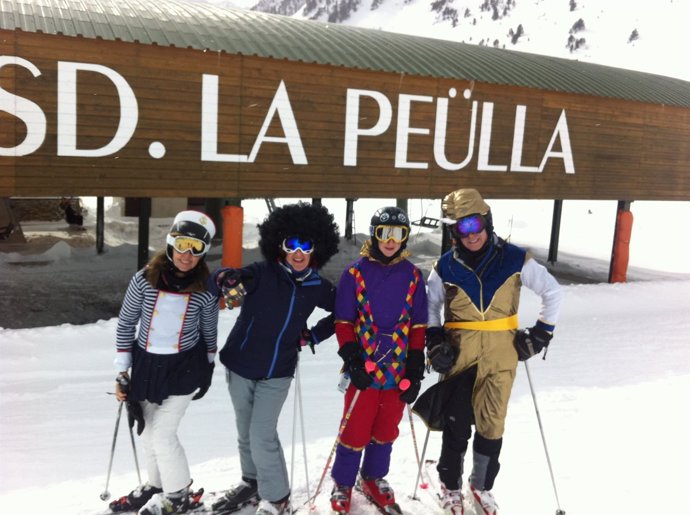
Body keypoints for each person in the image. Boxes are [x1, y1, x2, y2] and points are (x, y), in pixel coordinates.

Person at [413, 188, 563, 515]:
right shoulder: (446, 267)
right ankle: (450, 486)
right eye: (462, 228)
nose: (471, 234)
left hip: (501, 355)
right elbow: (431, 306)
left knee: (492, 423)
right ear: (454, 231)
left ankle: (480, 486)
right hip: (460, 355)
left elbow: (552, 291)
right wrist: (435, 340)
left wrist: (540, 334)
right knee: (456, 423)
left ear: (487, 221)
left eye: (475, 224)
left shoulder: (514, 258)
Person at [209, 202, 340, 515]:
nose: (297, 252)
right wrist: (225, 278)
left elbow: (343, 313)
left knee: (261, 433)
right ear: (278, 245)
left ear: (315, 248)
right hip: (240, 365)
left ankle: (278, 497)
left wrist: (314, 335)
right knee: (245, 431)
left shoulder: (316, 286)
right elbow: (228, 277)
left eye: (304, 245)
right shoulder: (262, 273)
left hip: (277, 372)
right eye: (290, 244)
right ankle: (252, 481)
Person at [111, 210, 220, 515]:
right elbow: (126, 323)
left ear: (204, 252)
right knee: (146, 429)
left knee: (163, 433)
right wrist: (123, 370)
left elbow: (208, 329)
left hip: (184, 368)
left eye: (196, 248)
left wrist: (209, 365)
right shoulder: (145, 278)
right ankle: (156, 484)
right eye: (183, 244)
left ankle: (178, 495)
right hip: (147, 365)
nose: (187, 254)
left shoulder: (205, 288)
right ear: (171, 243)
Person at [329, 206, 428, 515]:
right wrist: (353, 359)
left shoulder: (412, 275)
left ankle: (373, 476)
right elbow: (343, 322)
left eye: (399, 234)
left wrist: (414, 366)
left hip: (397, 368)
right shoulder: (355, 273)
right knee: (356, 426)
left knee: (387, 427)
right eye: (384, 233)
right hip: (365, 366)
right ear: (374, 234)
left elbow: (418, 326)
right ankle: (343, 481)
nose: (391, 240)